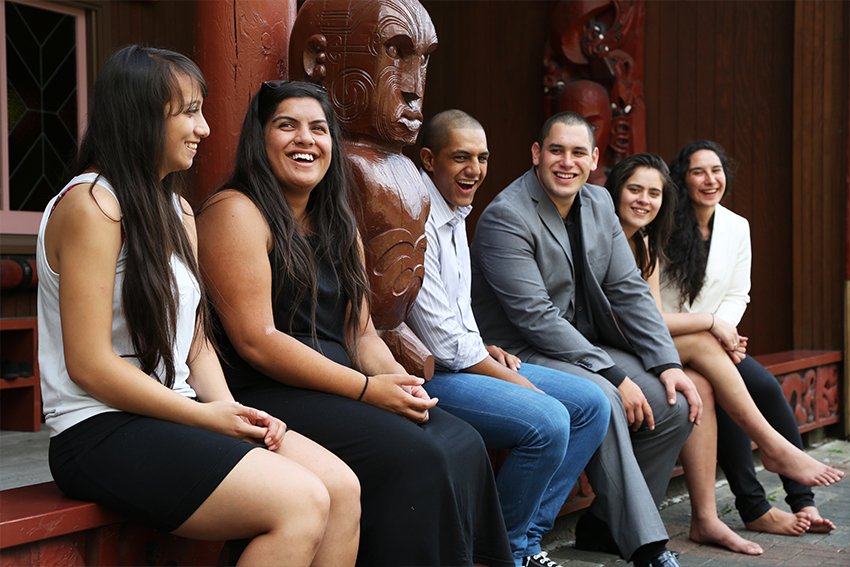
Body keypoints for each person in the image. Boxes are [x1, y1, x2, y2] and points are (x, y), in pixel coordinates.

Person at [36, 45, 360, 566]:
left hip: (176, 415)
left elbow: (196, 342)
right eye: (190, 112)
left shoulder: (177, 209)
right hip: (97, 429)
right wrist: (206, 419)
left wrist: (230, 409)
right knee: (300, 503)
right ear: (141, 113)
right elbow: (90, 365)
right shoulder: (91, 205)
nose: (205, 129)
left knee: (342, 489)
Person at [195, 80, 513, 567]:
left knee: (462, 441)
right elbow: (256, 341)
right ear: (259, 139)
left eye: (318, 129)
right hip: (267, 388)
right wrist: (367, 390)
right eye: (287, 126)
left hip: (343, 385)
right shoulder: (235, 211)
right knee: (417, 457)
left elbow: (361, 332)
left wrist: (393, 382)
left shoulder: (337, 220)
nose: (306, 139)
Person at [470, 111, 702, 567]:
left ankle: (604, 525)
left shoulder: (598, 203)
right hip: (519, 350)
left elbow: (629, 292)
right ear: (537, 154)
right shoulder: (506, 216)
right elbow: (535, 318)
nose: (567, 162)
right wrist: (613, 373)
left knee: (671, 403)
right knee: (606, 396)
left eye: (579, 153)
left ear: (594, 159)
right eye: (556, 150)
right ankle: (647, 546)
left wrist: (668, 363)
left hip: (581, 346)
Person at [605, 152, 843, 554]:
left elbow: (734, 292)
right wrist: (712, 324)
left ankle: (707, 519)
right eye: (634, 190)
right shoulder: (628, 232)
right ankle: (772, 451)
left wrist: (723, 329)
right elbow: (650, 318)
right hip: (649, 341)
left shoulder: (646, 238)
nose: (644, 200)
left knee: (725, 383)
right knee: (707, 353)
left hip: (695, 341)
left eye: (653, 193)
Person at [406, 110, 610, 567]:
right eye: (460, 157)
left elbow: (461, 317)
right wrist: (505, 375)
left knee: (592, 403)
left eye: (481, 158)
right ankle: (499, 553)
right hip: (430, 376)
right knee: (549, 420)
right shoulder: (420, 219)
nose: (473, 169)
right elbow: (443, 345)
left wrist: (487, 348)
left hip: (467, 359)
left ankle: (525, 540)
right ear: (428, 159)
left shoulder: (457, 213)